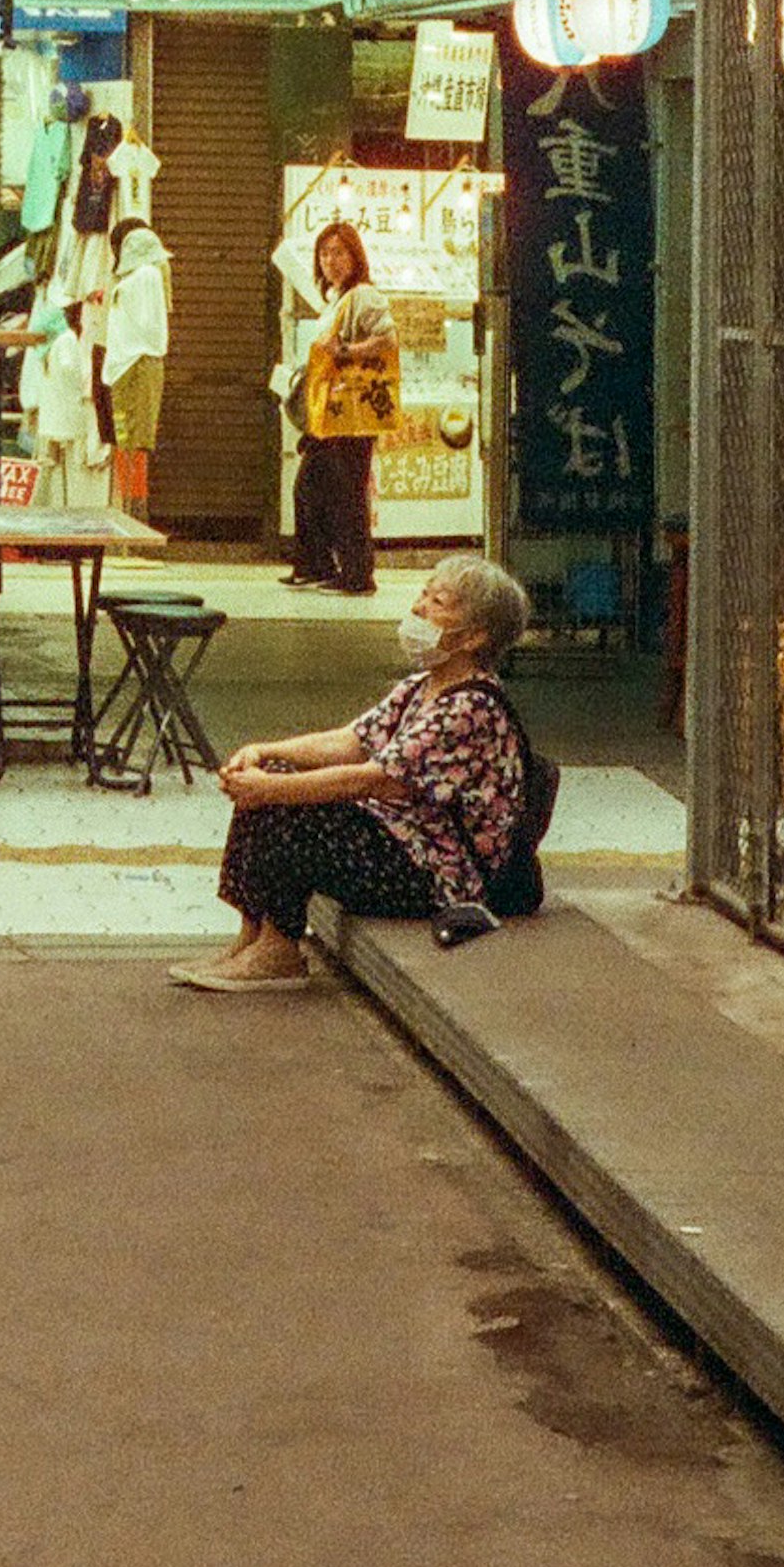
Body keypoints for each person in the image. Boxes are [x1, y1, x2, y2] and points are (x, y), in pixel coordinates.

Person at [178, 555, 543, 989]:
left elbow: (372, 778)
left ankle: (280, 949)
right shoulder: (421, 686)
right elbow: (351, 741)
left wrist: (271, 788)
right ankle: (253, 936)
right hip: (403, 843)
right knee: (275, 780)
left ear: (475, 636)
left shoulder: (470, 708)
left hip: (439, 873)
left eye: (438, 601)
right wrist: (264, 752)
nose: (418, 608)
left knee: (292, 803)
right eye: (423, 594)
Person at [277, 215, 401, 592]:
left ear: (355, 257)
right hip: (329, 414)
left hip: (352, 414)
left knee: (346, 493)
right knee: (312, 487)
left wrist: (346, 351)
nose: (331, 261)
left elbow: (388, 339)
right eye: (325, 253)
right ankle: (316, 564)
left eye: (339, 253)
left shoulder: (363, 295)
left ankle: (356, 574)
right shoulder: (336, 299)